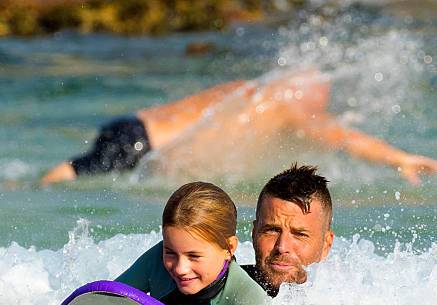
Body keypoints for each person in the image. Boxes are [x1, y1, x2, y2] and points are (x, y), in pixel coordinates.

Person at [40, 70, 437, 186]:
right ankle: (34, 186)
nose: (322, 106)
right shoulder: (288, 108)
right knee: (75, 176)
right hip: (144, 146)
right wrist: (398, 158)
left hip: (132, 126)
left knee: (78, 169)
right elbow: (345, 138)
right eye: (321, 96)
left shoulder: (248, 90)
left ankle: (38, 182)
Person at [48, 181, 269, 305]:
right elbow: (110, 299)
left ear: (228, 248)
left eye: (194, 256)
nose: (180, 268)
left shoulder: (249, 296)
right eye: (170, 252)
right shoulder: (156, 261)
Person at [243, 163, 334, 296]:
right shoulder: (217, 295)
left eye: (299, 234)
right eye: (272, 230)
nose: (281, 247)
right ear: (254, 232)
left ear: (326, 245)